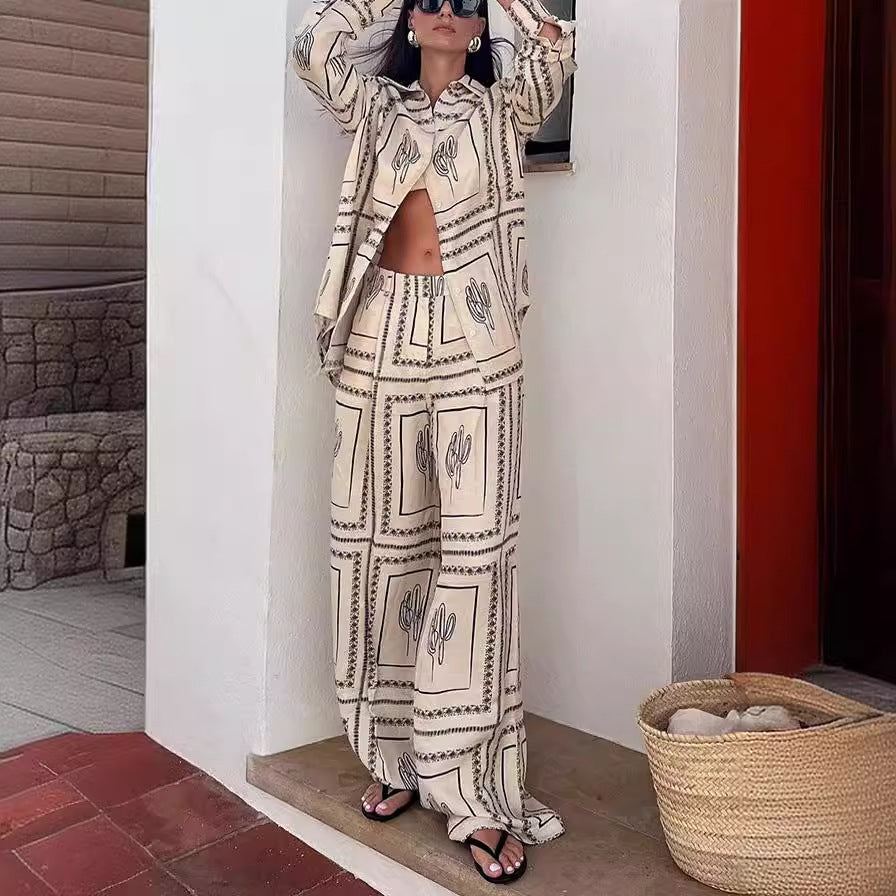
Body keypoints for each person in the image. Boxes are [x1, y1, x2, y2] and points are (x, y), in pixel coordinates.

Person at [291, 0, 576, 883]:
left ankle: (475, 791)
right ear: (410, 20)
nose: (448, 13)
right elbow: (312, 47)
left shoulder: (504, 109)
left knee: (476, 557)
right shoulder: (377, 107)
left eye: (465, 3)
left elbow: (556, 50)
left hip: (475, 334)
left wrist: (512, 7)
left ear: (483, 26)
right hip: (379, 329)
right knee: (378, 552)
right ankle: (396, 756)